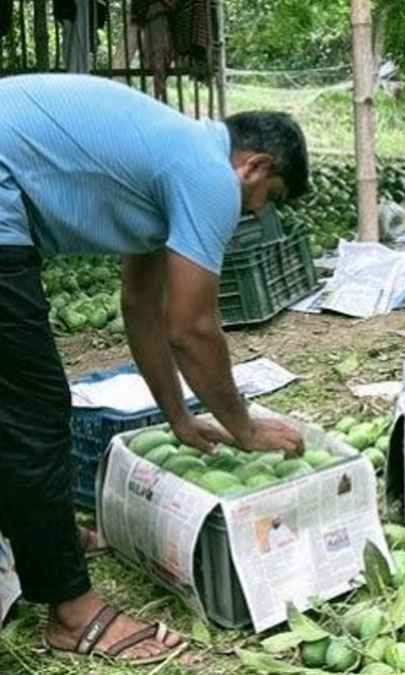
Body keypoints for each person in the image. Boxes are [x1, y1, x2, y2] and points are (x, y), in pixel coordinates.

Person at [0, 74, 308, 664]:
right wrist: (244, 427)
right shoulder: (210, 175)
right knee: (35, 408)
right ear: (255, 165)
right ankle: (71, 611)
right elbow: (192, 329)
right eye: (268, 195)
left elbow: (144, 310)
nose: (252, 212)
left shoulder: (169, 161)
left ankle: (41, 540)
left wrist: (180, 420)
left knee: (17, 402)